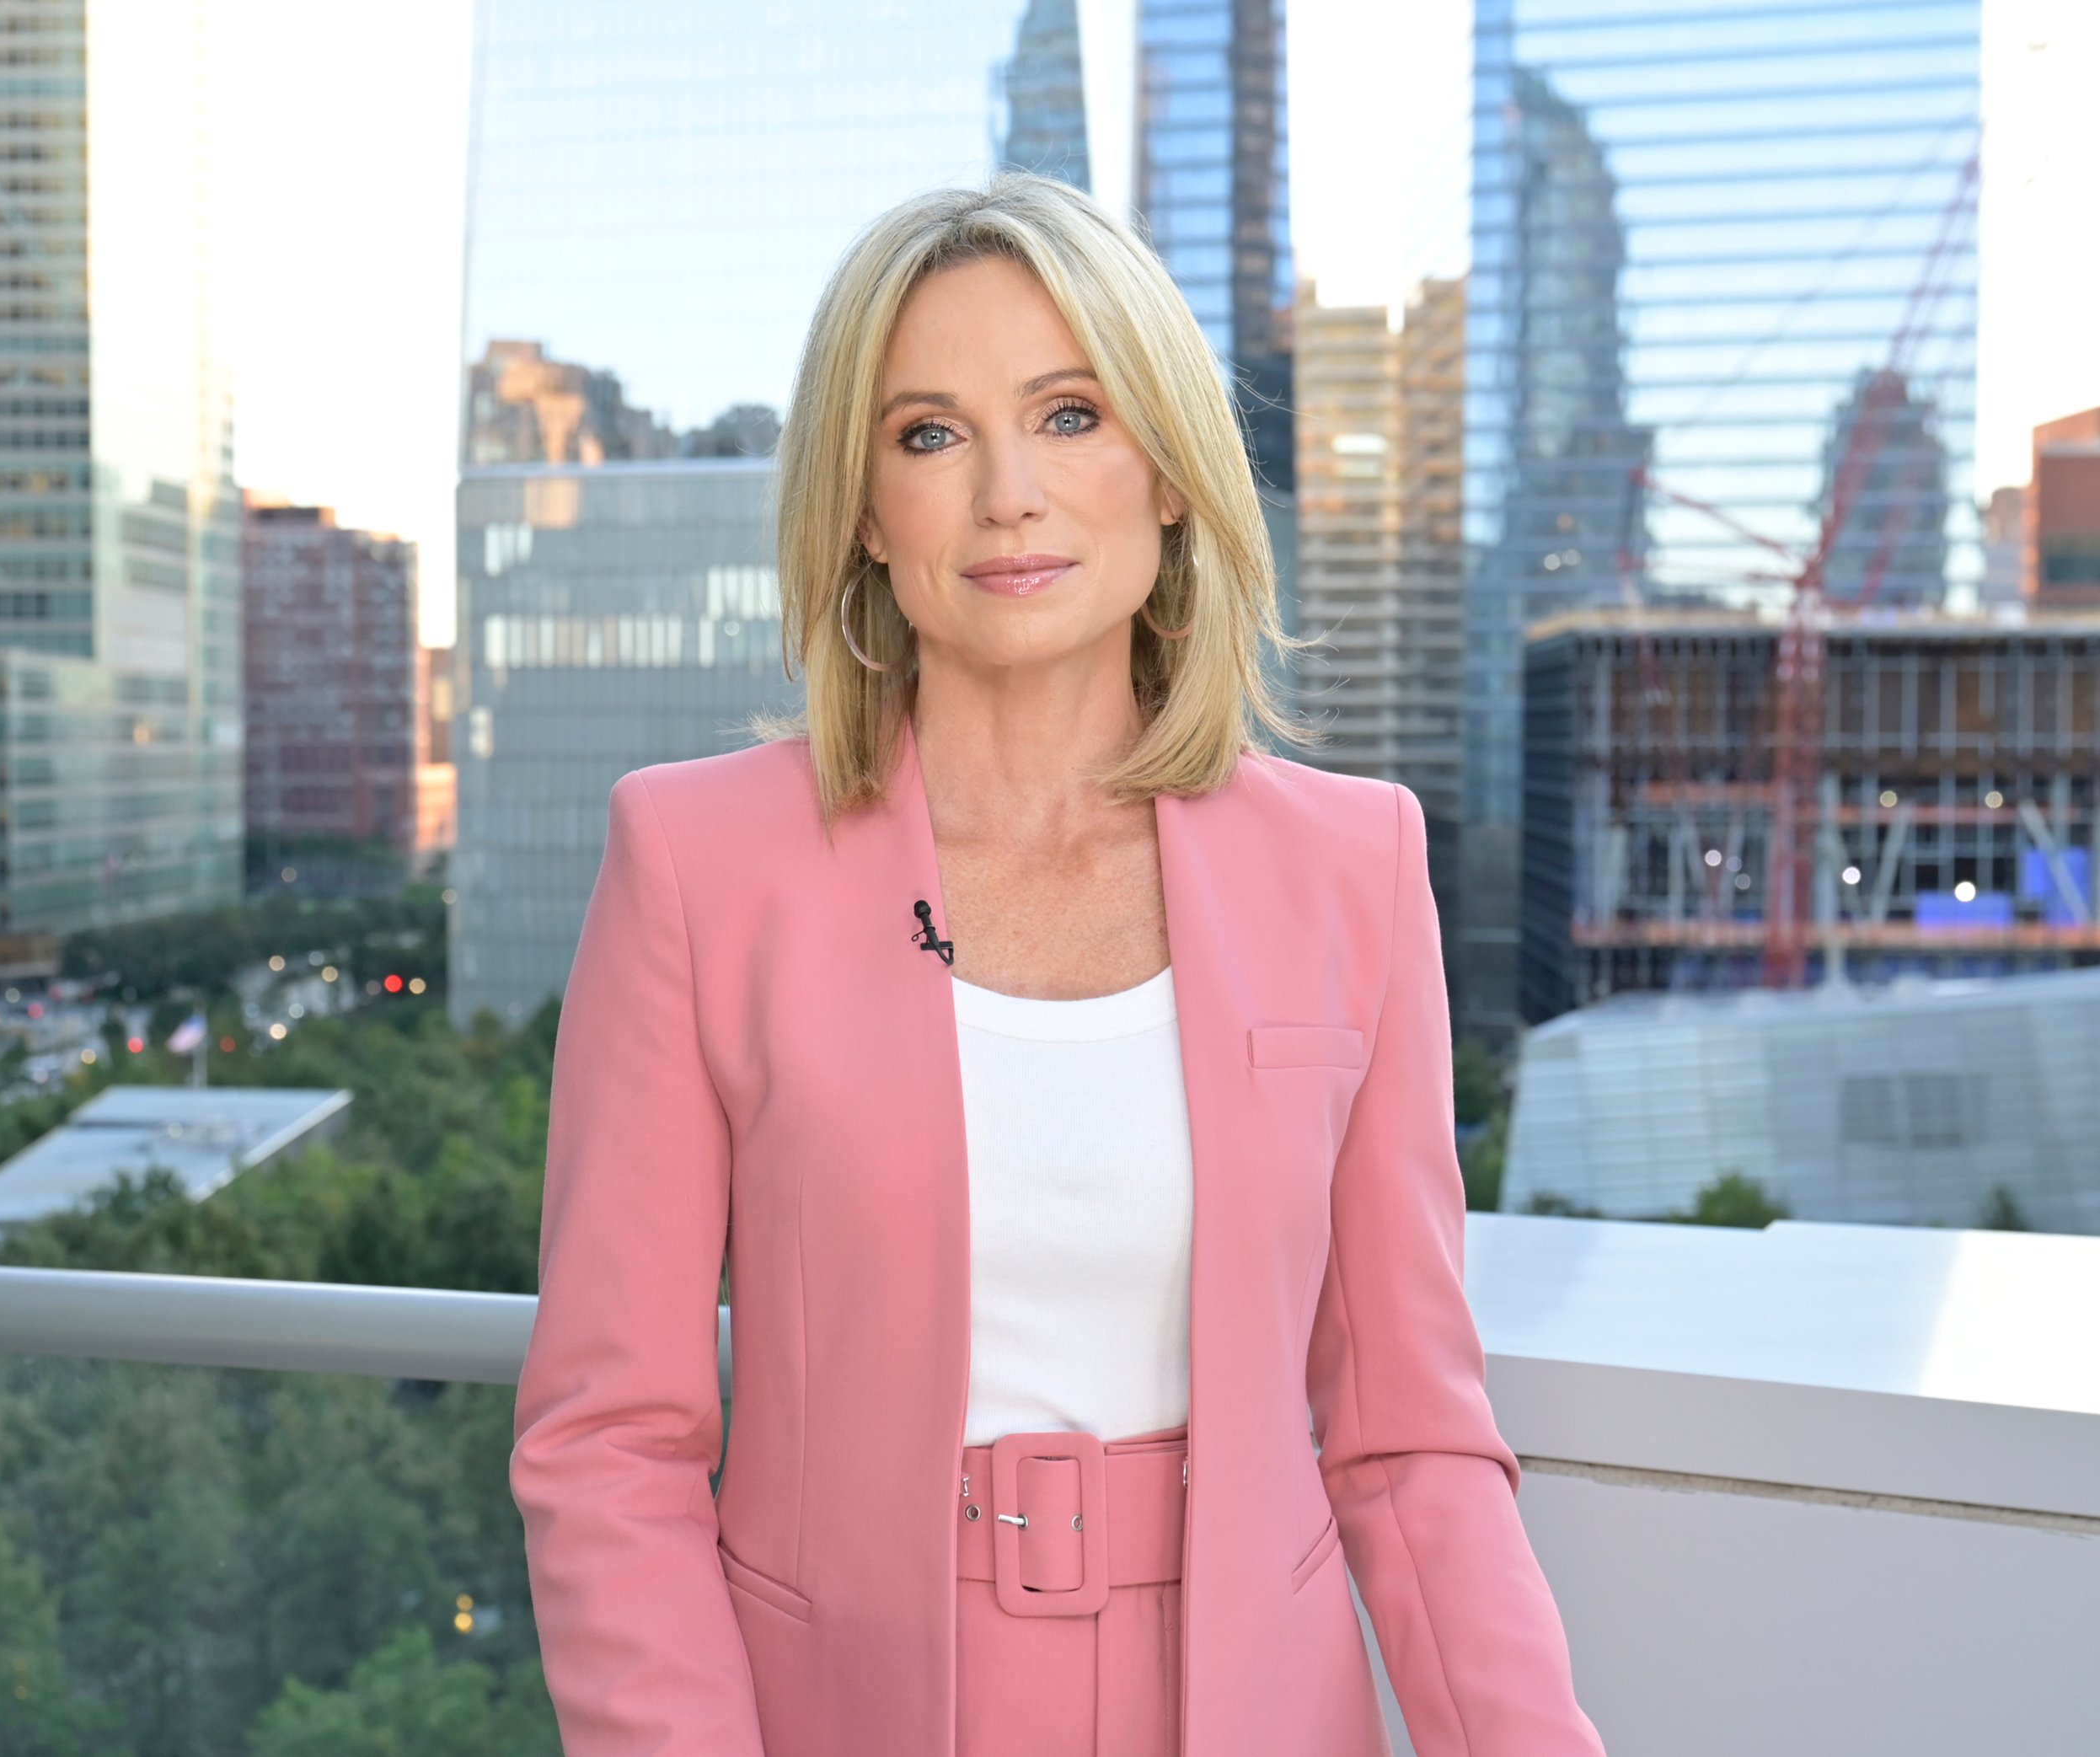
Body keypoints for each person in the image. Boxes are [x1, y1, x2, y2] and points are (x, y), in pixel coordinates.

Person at [512, 173, 1602, 1757]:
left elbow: (1410, 1445)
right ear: (864, 512)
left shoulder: (1353, 866)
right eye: (929, 435)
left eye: (1070, 414)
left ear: (1168, 472)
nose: (1009, 494)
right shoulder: (695, 864)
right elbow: (611, 1445)